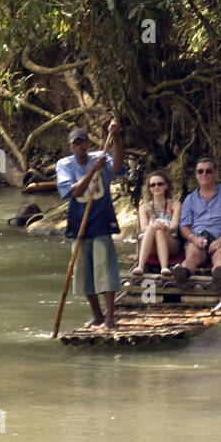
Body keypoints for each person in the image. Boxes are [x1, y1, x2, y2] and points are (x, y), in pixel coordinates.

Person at [55, 120, 124, 329]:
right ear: (71, 147)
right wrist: (93, 170)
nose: (79, 147)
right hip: (79, 223)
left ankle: (110, 317)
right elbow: (75, 192)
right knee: (84, 271)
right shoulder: (64, 164)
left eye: (82, 143)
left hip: (101, 220)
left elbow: (119, 167)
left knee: (106, 268)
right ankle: (97, 315)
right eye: (75, 144)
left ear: (87, 143)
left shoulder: (101, 157)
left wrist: (116, 138)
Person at [173, 157, 221, 290]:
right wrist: (194, 239)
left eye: (208, 171)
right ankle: (182, 275)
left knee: (220, 255)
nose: (204, 174)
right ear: (196, 175)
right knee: (192, 255)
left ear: (215, 173)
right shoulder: (189, 199)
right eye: (200, 171)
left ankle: (217, 279)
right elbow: (184, 226)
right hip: (198, 239)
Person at [132, 172, 182, 278]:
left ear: (166, 185)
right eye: (153, 185)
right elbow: (143, 228)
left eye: (160, 184)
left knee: (159, 231)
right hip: (151, 243)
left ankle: (164, 267)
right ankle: (141, 266)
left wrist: (165, 228)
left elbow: (174, 227)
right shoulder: (144, 207)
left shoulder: (175, 204)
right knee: (151, 228)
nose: (156, 187)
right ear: (149, 188)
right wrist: (155, 226)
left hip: (170, 242)